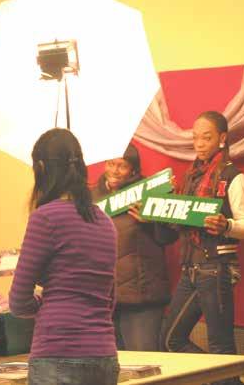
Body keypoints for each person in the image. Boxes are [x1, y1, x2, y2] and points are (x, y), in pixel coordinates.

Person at [9, 128, 120, 385]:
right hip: (103, 354)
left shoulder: (45, 218)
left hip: (56, 352)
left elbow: (18, 300)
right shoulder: (105, 221)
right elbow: (110, 297)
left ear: (41, 167)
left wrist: (47, 302)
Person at [159, 111, 244, 385]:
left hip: (217, 267)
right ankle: (221, 378)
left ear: (222, 138)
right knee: (170, 340)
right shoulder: (189, 177)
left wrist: (226, 225)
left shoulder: (233, 176)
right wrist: (164, 204)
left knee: (221, 349)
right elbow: (179, 222)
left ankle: (222, 377)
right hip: (190, 267)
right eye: (195, 138)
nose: (199, 144)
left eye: (207, 137)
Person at [92, 144, 172, 351]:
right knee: (112, 361)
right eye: (111, 164)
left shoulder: (150, 193)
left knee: (145, 361)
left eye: (122, 166)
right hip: (103, 297)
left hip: (142, 296)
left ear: (134, 170)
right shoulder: (90, 197)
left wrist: (153, 220)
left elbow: (169, 237)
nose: (115, 170)